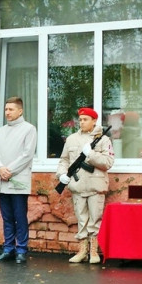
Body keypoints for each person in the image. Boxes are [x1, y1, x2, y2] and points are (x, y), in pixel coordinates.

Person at [56, 107, 114, 264]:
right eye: (80, 119)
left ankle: (94, 251)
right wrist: (61, 174)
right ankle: (82, 250)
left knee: (95, 219)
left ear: (94, 121)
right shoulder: (72, 139)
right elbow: (64, 160)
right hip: (78, 185)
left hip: (95, 185)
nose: (81, 122)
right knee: (82, 219)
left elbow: (108, 162)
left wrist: (91, 155)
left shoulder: (103, 139)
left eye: (85, 119)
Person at [0, 96, 37, 264]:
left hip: (18, 179)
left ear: (20, 111)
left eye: (11, 109)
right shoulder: (0, 131)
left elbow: (27, 154)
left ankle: (21, 249)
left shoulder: (29, 129)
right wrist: (0, 168)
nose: (7, 113)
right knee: (7, 217)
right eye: (6, 109)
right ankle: (8, 248)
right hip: (2, 179)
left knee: (19, 216)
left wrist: (9, 170)